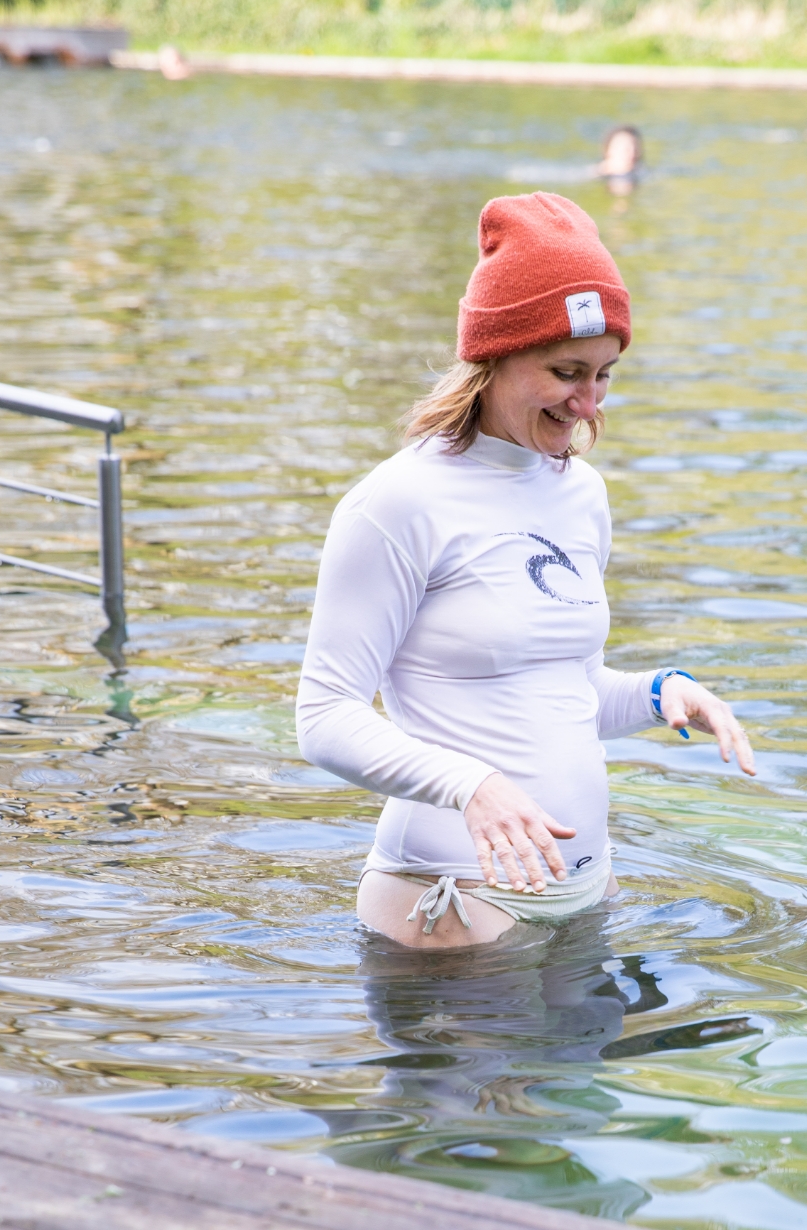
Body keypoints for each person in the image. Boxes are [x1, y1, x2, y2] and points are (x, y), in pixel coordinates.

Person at [297, 192, 756, 951]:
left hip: (587, 892)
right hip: (453, 905)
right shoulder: (396, 503)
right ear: (496, 354)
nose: (587, 402)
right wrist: (470, 786)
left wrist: (659, 693)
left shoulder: (582, 495)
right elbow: (324, 717)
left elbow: (560, 692)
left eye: (605, 374)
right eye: (566, 370)